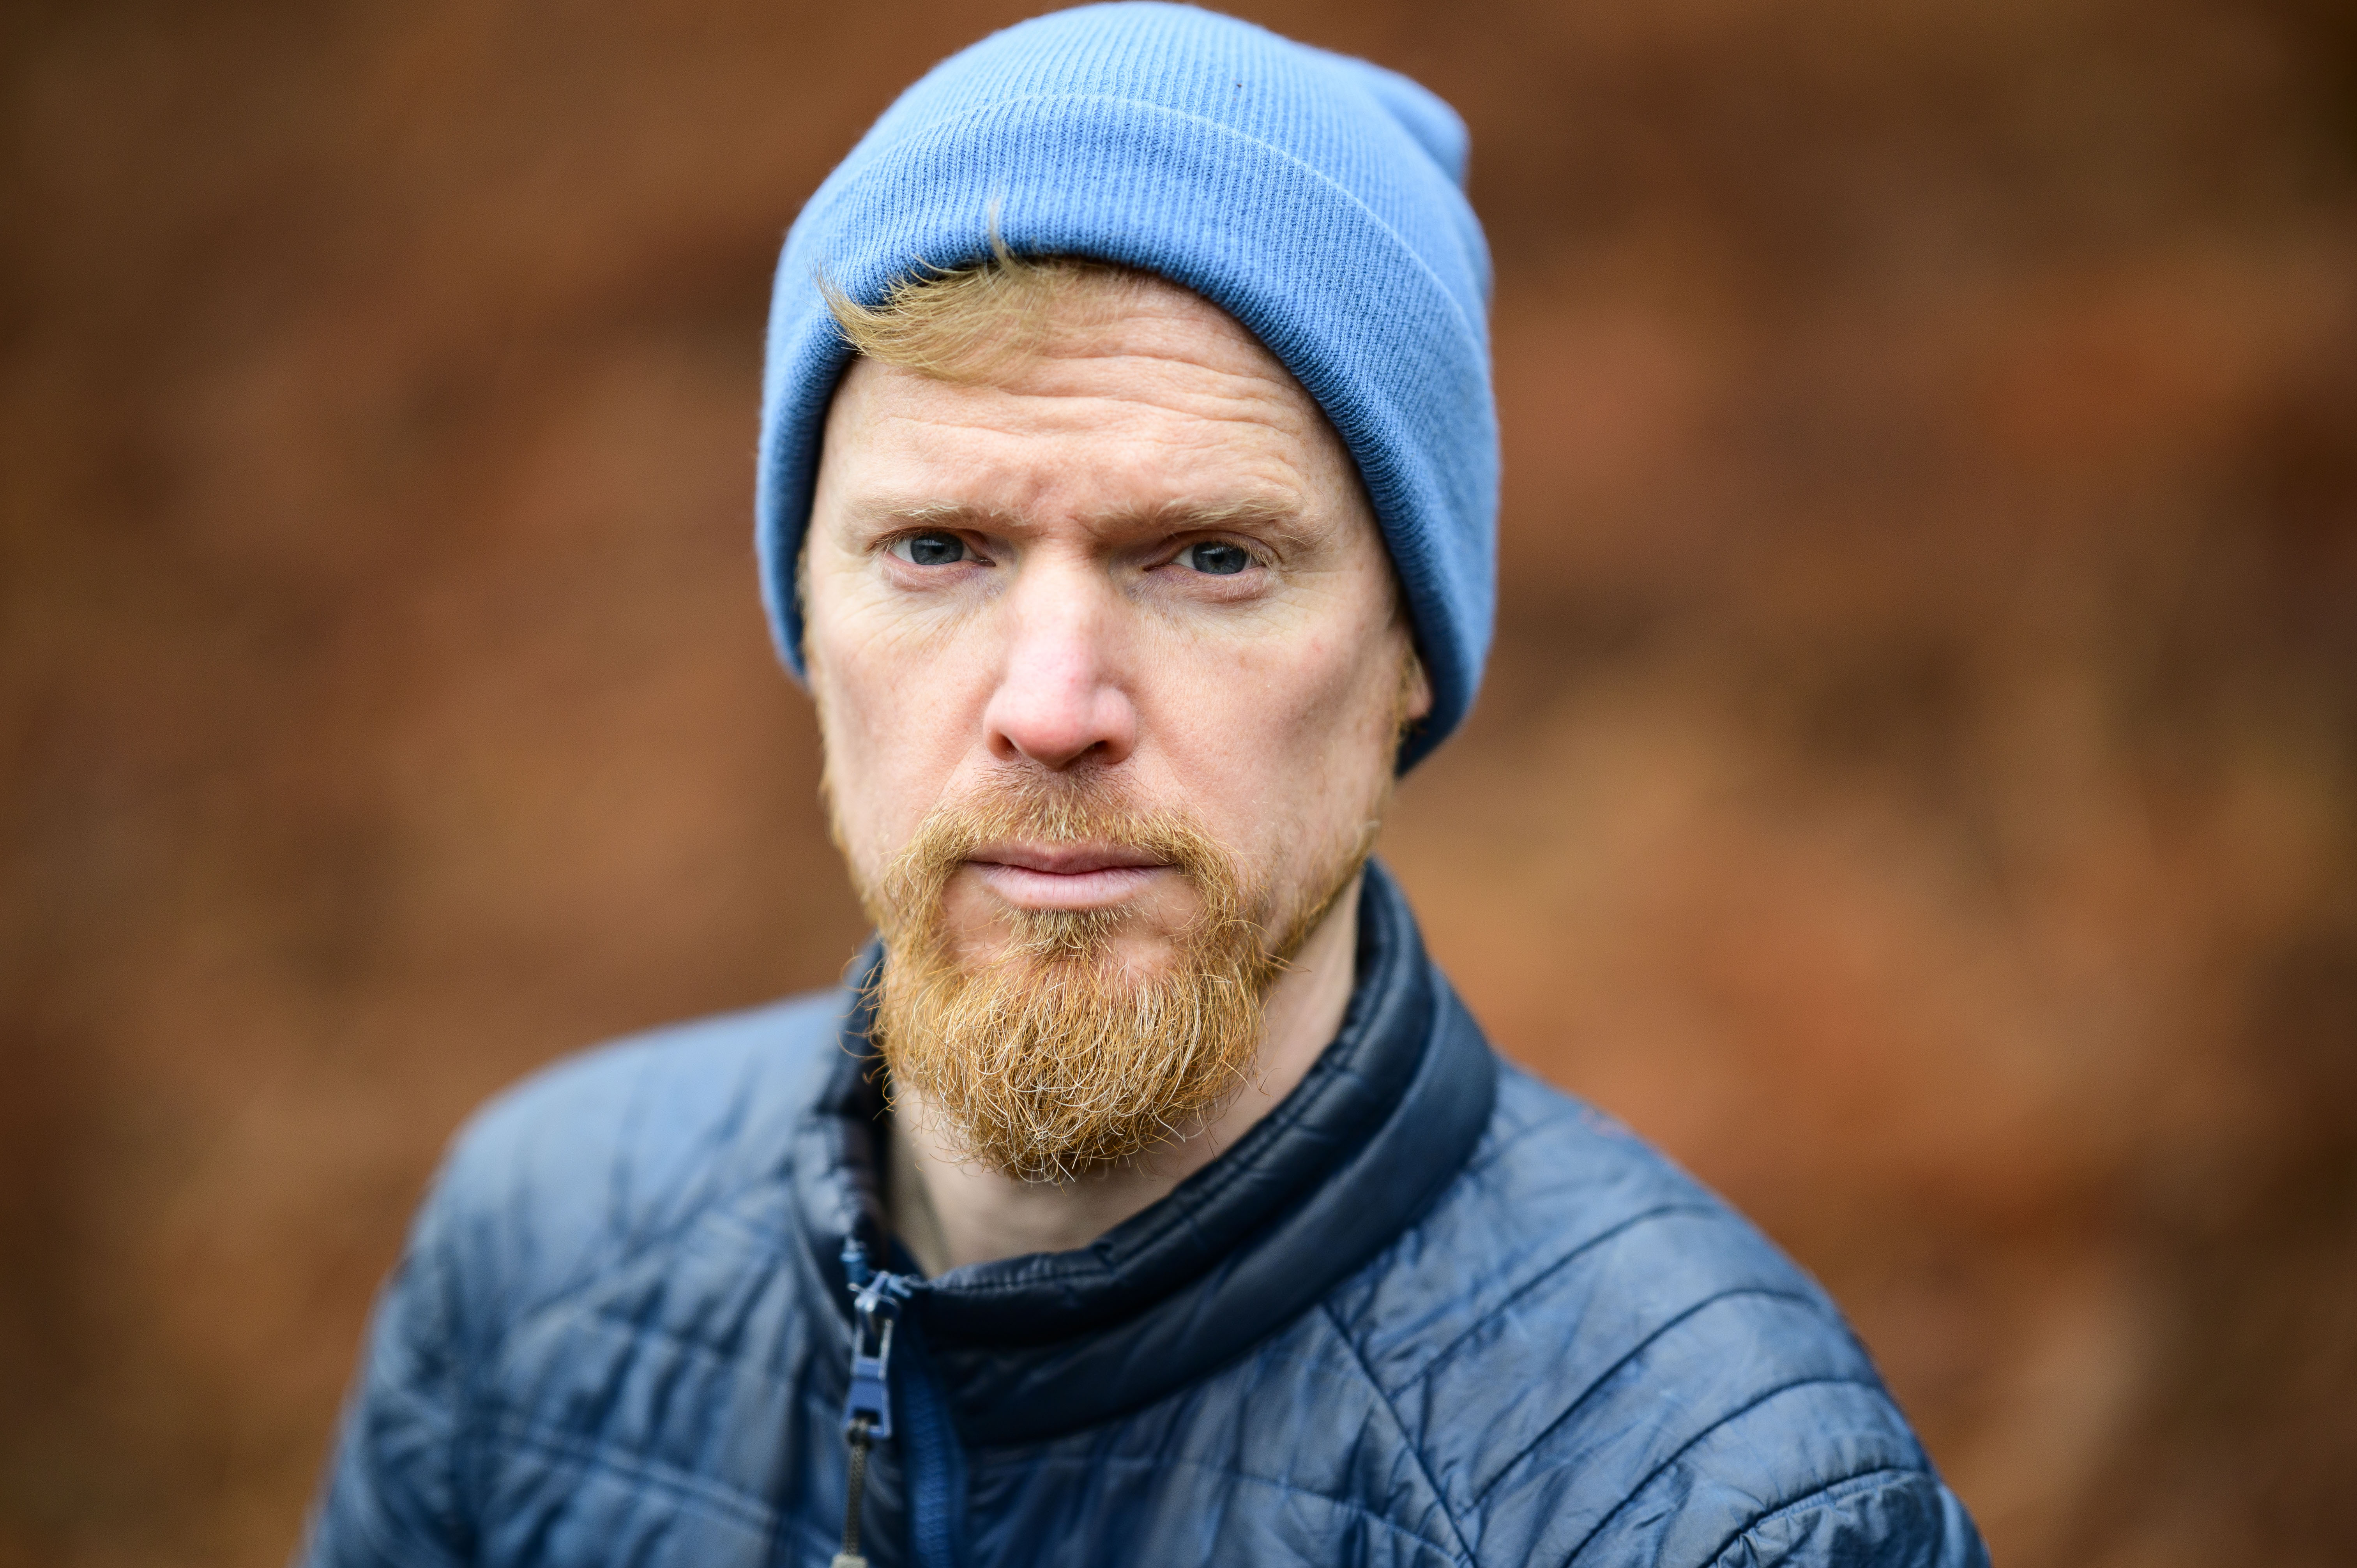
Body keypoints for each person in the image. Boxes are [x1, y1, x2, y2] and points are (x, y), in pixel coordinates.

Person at [302, 6, 1989, 1565]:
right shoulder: (532, 1259)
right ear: (805, 606)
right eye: (939, 548)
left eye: (1209, 557)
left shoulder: (1721, 1514)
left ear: (1410, 645)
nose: (1052, 710)